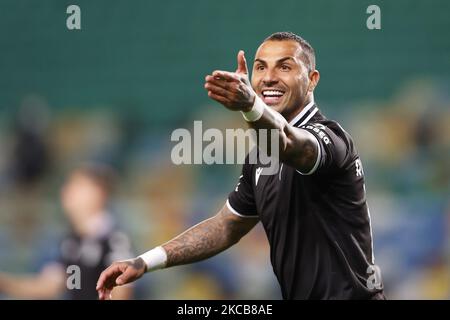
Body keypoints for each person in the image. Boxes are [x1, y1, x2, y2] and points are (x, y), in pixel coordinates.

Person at [96, 32, 385, 300]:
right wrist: (145, 261)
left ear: (312, 80)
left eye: (284, 67)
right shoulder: (260, 158)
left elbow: (289, 143)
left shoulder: (332, 140)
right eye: (260, 68)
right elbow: (226, 226)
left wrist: (250, 106)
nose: (269, 78)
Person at [0, 164, 134, 299]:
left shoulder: (114, 239)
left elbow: (121, 292)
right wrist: (5, 283)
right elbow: (49, 285)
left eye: (77, 186)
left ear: (98, 193)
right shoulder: (70, 241)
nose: (66, 191)